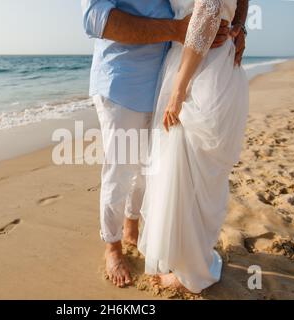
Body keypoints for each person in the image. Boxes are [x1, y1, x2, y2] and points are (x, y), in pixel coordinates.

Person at [81, 0, 247, 288]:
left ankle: (133, 227)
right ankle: (113, 247)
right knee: (120, 169)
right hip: (125, 80)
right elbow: (96, 19)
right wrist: (177, 29)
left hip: (172, 74)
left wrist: (239, 25)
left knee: (154, 168)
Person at [138, 0, 249, 294]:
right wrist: (240, 27)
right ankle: (191, 260)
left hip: (198, 70)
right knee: (199, 177)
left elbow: (209, 9)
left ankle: (190, 272)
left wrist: (178, 89)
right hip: (219, 64)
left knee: (185, 174)